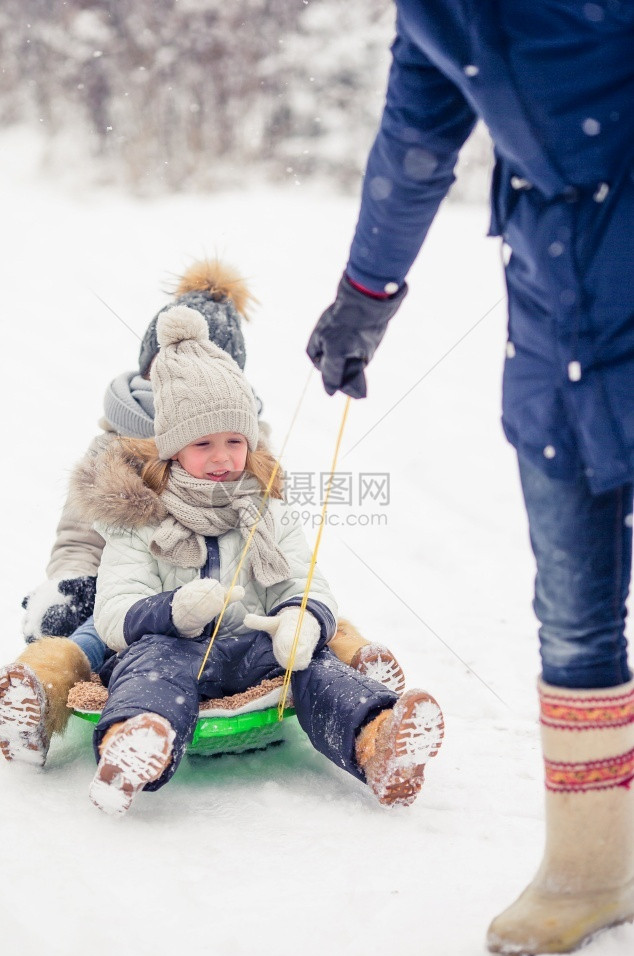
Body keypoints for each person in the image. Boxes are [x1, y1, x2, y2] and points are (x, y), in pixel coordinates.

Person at [306, 1, 634, 956]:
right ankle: (590, 869)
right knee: (572, 610)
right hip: (553, 321)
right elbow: (414, 137)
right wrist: (365, 296)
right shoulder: (439, 12)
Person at [0, 261, 405, 767]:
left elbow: (282, 556)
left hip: (237, 605)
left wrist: (293, 610)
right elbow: (80, 540)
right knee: (90, 640)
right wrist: (77, 584)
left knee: (309, 616)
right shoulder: (118, 448)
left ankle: (361, 675)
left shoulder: (243, 449)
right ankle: (40, 692)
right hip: (130, 594)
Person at [67, 304, 445, 815]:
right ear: (173, 450)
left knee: (315, 664)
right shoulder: (144, 519)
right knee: (151, 667)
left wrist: (299, 618)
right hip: (171, 651)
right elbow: (113, 612)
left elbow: (304, 577)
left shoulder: (267, 510)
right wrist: (174, 611)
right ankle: (133, 747)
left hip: (249, 651)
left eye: (234, 441)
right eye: (203, 443)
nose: (222, 457)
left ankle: (377, 742)